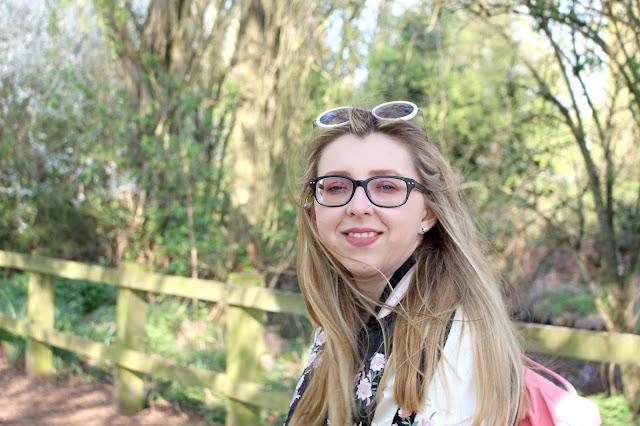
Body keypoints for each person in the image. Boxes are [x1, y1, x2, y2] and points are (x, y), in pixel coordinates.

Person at [285, 102, 526, 426]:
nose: (358, 206)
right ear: (313, 211)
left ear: (428, 212)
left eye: (387, 186)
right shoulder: (343, 320)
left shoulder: (449, 343)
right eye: (337, 186)